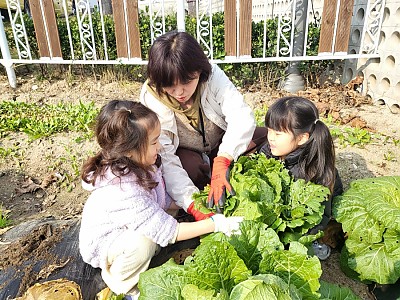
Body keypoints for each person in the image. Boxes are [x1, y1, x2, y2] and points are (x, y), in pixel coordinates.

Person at [78, 100, 243, 297]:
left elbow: (160, 199)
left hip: (134, 222)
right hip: (108, 243)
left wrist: (192, 206)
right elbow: (170, 231)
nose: (159, 147)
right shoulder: (122, 191)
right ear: (129, 150)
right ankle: (124, 284)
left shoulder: (140, 163)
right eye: (154, 142)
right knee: (143, 243)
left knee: (170, 214)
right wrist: (215, 224)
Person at [140, 31, 267, 219]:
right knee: (189, 168)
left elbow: (241, 116)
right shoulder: (152, 98)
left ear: (199, 71)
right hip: (186, 152)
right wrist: (192, 204)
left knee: (267, 136)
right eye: (170, 87)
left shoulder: (213, 76)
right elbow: (165, 156)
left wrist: (223, 159)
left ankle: (223, 177)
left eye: (187, 82)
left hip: (219, 144)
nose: (180, 92)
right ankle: (208, 195)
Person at [259, 96, 343, 260]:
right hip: (282, 213)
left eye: (277, 133)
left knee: (303, 249)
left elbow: (319, 216)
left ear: (302, 137)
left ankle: (315, 242)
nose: (270, 137)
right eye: (269, 130)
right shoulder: (270, 151)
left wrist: (299, 237)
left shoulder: (313, 172)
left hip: (314, 219)